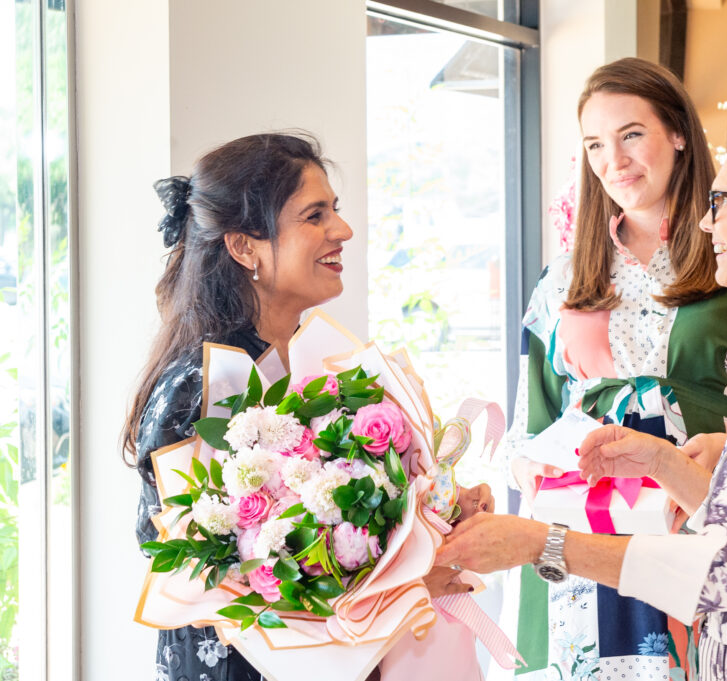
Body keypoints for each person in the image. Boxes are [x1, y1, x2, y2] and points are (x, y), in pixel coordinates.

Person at [439, 117, 727, 681]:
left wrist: (543, 543)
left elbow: (722, 568)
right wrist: (662, 461)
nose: (706, 220)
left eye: (723, 200)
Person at [121, 133, 490, 681]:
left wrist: (435, 515)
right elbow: (201, 567)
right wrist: (404, 585)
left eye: (334, 210)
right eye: (314, 215)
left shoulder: (317, 363)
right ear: (245, 246)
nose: (342, 230)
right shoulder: (198, 385)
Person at [499, 57, 727, 681]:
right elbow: (527, 422)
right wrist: (531, 464)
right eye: (595, 143)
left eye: (631, 135)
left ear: (677, 132)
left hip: (697, 522)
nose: (613, 161)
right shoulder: (563, 277)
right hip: (584, 526)